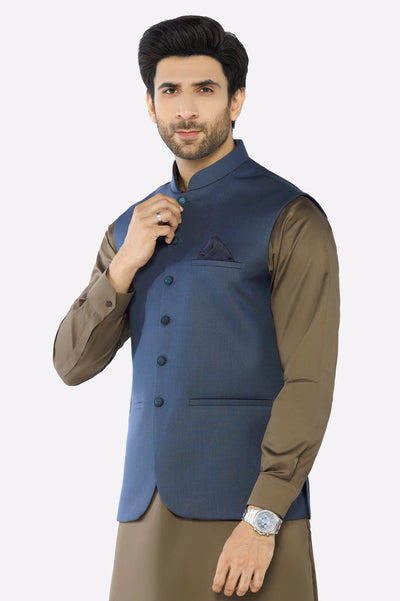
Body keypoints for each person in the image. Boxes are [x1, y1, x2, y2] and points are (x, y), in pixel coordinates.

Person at [53, 15, 340, 601]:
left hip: (250, 520)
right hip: (144, 515)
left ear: (236, 101)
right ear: (150, 105)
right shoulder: (128, 227)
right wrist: (124, 265)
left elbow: (309, 381)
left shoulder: (290, 217)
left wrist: (263, 518)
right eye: (170, 91)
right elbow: (70, 363)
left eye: (204, 90)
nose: (185, 110)